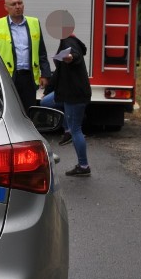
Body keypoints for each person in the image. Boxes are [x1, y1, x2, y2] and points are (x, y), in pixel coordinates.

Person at [0, 0, 52, 111]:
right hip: (7, 77)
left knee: (28, 112)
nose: (17, 7)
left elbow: (41, 52)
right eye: (13, 4)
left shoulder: (34, 23)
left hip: (29, 77)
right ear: (6, 7)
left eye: (20, 3)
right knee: (8, 111)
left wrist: (45, 74)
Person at [46, 33, 92, 176]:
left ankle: (83, 166)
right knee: (46, 102)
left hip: (74, 94)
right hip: (67, 92)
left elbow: (75, 55)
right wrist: (48, 89)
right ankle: (67, 130)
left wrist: (70, 58)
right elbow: (59, 73)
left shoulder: (68, 41)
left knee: (76, 129)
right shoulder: (66, 40)